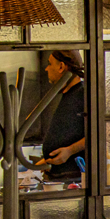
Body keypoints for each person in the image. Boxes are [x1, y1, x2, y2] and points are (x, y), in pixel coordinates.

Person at [38, 50, 86, 182]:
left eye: (50, 64)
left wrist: (70, 151)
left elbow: (103, 133)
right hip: (57, 177)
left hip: (74, 180)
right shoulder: (66, 95)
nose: (47, 69)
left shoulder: (83, 94)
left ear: (61, 67)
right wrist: (47, 161)